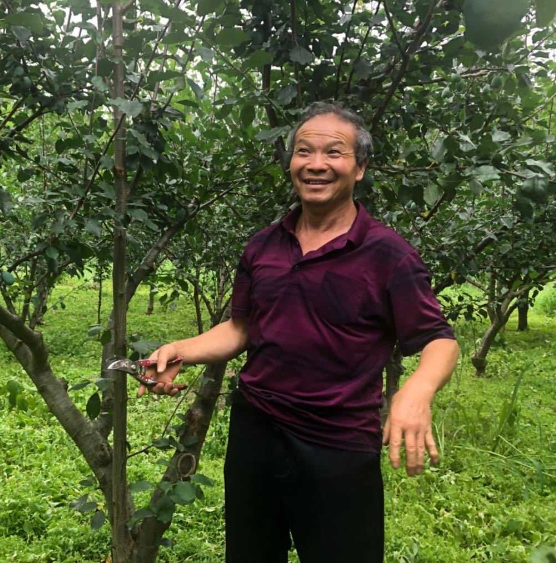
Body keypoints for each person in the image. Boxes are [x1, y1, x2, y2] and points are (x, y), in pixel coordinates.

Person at [141, 102, 460, 562]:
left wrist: (417, 391)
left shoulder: (388, 255)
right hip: (256, 433)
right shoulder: (264, 245)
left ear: (360, 168)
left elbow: (439, 340)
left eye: (334, 152)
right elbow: (243, 326)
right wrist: (181, 350)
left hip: (338, 445)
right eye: (303, 151)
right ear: (291, 163)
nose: (315, 164)